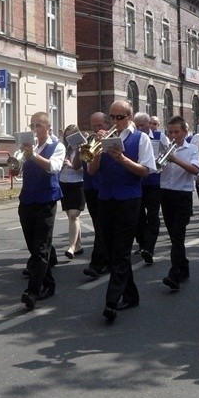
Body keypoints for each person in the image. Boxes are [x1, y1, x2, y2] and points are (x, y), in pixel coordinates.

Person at [88, 100, 156, 322]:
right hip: (105, 199)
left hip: (129, 200)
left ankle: (111, 301)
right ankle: (131, 294)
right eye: (112, 117)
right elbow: (91, 169)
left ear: (130, 116)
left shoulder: (141, 138)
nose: (116, 122)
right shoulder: (106, 137)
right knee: (110, 250)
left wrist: (122, 158)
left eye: (120, 117)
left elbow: (145, 171)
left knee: (121, 251)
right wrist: (97, 149)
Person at [17, 112, 66, 310]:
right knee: (32, 246)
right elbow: (18, 169)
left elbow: (54, 167)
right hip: (27, 199)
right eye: (33, 125)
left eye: (39, 125)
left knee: (41, 248)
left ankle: (33, 292)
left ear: (48, 128)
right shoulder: (28, 147)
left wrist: (33, 155)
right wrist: (16, 164)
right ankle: (49, 283)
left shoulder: (58, 146)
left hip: (46, 200)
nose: (35, 129)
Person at [158, 116, 199, 291]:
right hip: (166, 194)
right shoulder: (165, 148)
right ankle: (184, 267)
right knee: (174, 235)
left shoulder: (191, 149)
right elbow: (155, 168)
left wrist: (175, 159)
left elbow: (196, 170)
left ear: (185, 132)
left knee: (177, 235)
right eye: (170, 132)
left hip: (182, 195)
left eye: (177, 132)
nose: (173, 135)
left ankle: (174, 273)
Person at [81, 111, 111, 280]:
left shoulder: (111, 140)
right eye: (93, 125)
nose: (96, 128)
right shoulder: (90, 140)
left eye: (99, 125)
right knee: (98, 225)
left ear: (107, 125)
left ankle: (97, 264)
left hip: (103, 188)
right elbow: (83, 162)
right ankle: (105, 259)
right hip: (90, 187)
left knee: (101, 226)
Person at [134, 111, 164, 264]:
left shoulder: (159, 137)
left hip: (154, 182)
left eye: (143, 125)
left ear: (149, 124)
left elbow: (168, 151)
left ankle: (149, 248)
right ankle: (142, 243)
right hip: (138, 182)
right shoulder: (135, 139)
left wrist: (161, 160)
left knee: (152, 215)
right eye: (137, 125)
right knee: (139, 216)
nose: (140, 128)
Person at [59, 123, 85, 259]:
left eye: (71, 136)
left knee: (74, 214)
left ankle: (71, 247)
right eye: (66, 137)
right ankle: (79, 245)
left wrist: (71, 164)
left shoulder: (82, 147)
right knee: (71, 216)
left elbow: (85, 167)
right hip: (64, 182)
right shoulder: (66, 148)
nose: (68, 139)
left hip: (78, 183)